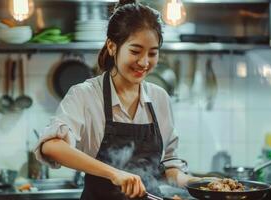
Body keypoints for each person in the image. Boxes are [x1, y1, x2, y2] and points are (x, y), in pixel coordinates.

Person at [35, 0, 205, 199]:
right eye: (135, 51)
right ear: (112, 46)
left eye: (152, 53)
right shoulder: (86, 94)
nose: (144, 62)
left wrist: (195, 182)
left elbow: (170, 168)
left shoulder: (160, 98)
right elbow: (51, 146)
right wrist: (114, 173)